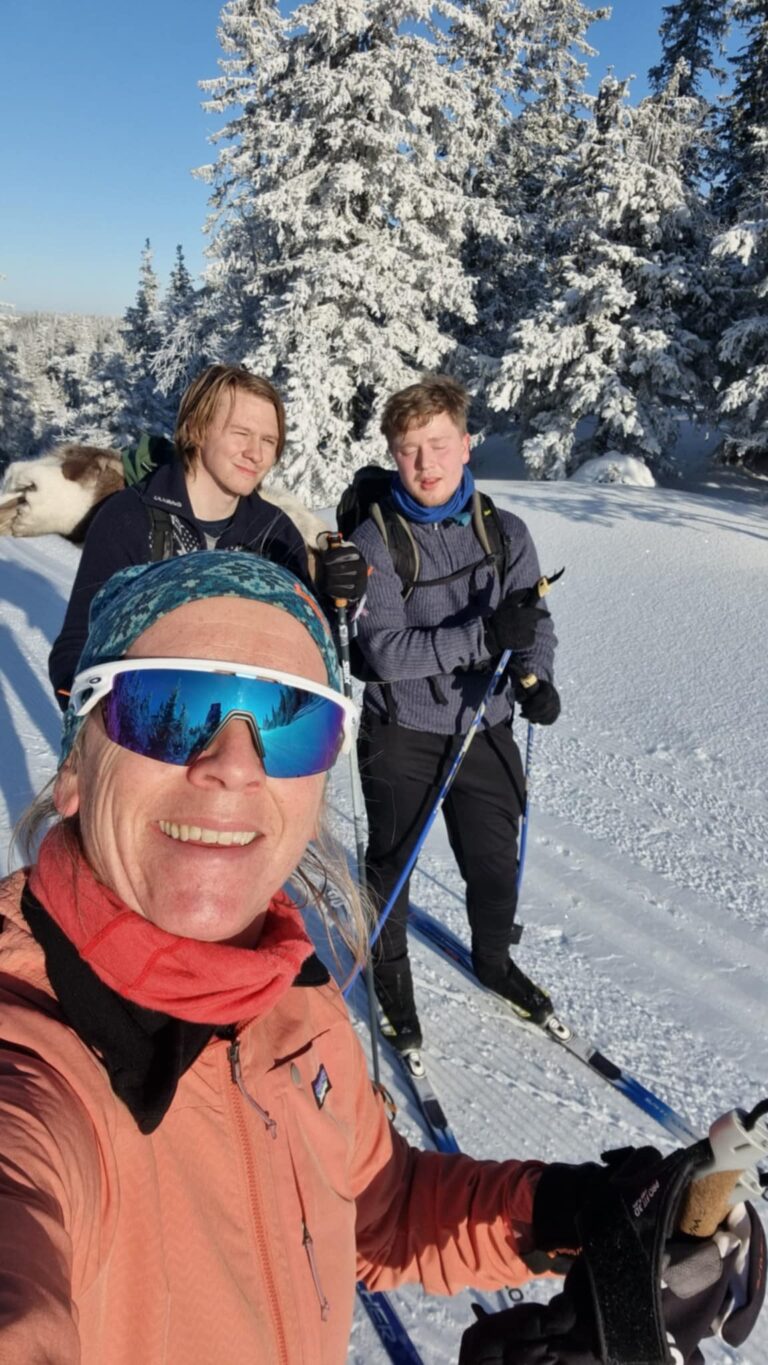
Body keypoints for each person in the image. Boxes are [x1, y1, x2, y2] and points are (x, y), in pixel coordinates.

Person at [1, 552, 762, 1365]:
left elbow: (377, 1206)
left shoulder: (292, 993)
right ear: (76, 765)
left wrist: (571, 1210)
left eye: (291, 720)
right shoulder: (34, 1071)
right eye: (169, 706)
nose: (232, 764)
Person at [350, 374, 559, 1052]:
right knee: (393, 865)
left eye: (438, 443)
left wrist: (536, 678)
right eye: (408, 449)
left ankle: (493, 960)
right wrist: (483, 637)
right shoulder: (375, 539)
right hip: (402, 728)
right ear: (393, 453)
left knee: (495, 866)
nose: (425, 463)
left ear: (466, 444)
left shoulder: (506, 531)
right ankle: (391, 985)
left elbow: (534, 620)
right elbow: (383, 652)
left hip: (484, 724)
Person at [48, 363, 367, 707]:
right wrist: (89, 708)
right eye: (240, 433)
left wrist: (340, 600)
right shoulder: (130, 518)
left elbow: (315, 650)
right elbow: (79, 642)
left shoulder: (273, 531)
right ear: (196, 429)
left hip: (249, 726)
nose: (256, 453)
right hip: (150, 724)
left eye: (268, 440)